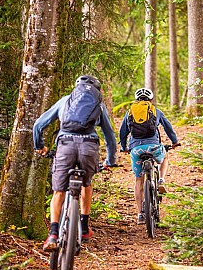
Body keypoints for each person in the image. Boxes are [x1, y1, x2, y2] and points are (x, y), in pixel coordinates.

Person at [33, 75, 117, 251]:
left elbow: (38, 125)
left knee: (59, 191)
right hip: (89, 147)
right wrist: (110, 160)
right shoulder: (99, 105)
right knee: (87, 184)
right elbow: (109, 136)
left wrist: (40, 146)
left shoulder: (65, 101)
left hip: (65, 146)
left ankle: (53, 234)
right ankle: (84, 227)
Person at [119, 87, 179, 225]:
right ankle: (162, 180)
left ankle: (140, 214)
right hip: (154, 147)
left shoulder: (130, 112)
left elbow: (123, 132)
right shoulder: (155, 110)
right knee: (165, 156)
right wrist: (174, 142)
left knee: (138, 181)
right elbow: (168, 127)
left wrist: (124, 148)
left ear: (136, 99)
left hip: (136, 150)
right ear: (151, 99)